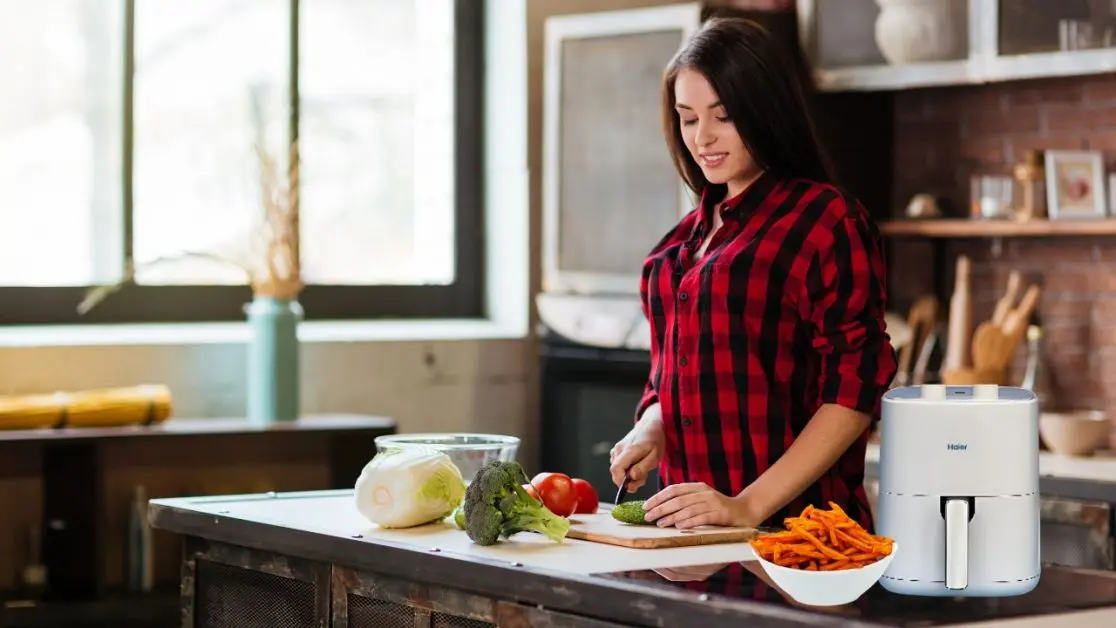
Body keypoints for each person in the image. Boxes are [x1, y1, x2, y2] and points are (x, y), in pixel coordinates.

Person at [608, 17, 897, 533]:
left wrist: (745, 506)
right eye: (688, 118)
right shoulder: (674, 250)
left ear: (763, 111)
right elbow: (667, 380)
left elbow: (853, 395)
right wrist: (652, 428)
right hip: (691, 543)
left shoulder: (825, 220)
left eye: (724, 115)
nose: (703, 138)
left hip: (803, 538)